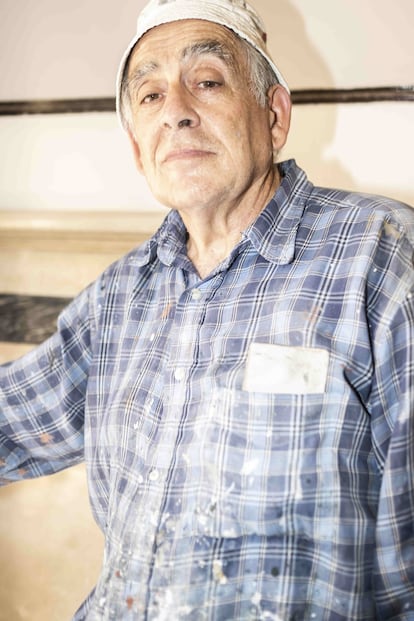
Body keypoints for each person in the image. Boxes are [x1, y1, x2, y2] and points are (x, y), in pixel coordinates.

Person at [1, 0, 413, 618]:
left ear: (273, 116)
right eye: (149, 96)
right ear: (139, 151)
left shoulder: (380, 256)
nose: (176, 114)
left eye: (208, 82)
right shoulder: (119, 298)